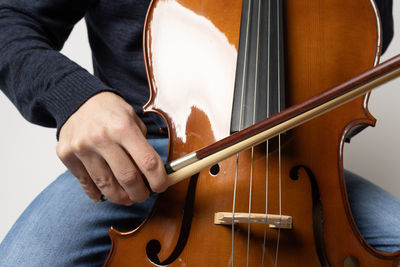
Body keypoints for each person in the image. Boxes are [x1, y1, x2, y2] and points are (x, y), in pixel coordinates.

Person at [0, 0, 399, 266]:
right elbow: (10, 19)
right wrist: (74, 98)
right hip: (147, 159)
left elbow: (355, 41)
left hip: (301, 163)